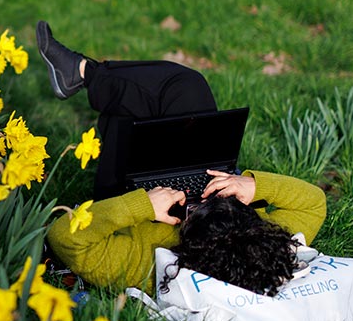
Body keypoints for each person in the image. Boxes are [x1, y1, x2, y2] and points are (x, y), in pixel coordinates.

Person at [36, 20, 326, 295]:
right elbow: (313, 204)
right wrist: (252, 186)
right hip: (201, 182)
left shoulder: (147, 266)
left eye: (196, 214)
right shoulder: (253, 245)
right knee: (187, 87)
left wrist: (143, 205)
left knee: (132, 111)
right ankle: (85, 73)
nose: (199, 202)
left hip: (130, 193)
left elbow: (65, 238)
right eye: (223, 206)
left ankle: (85, 72)